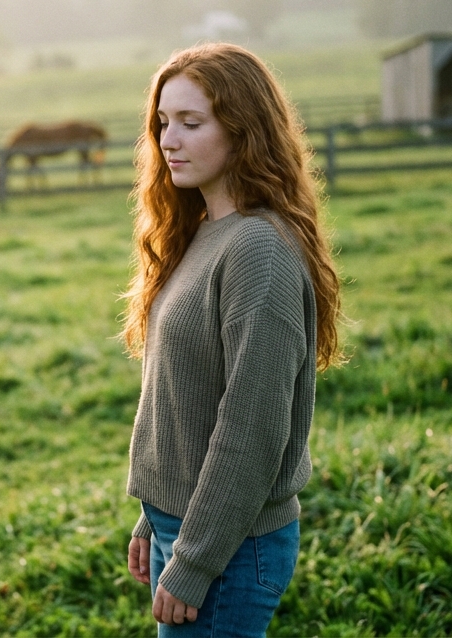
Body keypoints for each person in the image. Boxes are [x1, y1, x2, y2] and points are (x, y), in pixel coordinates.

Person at [121, 43, 342, 637]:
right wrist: (154, 516)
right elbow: (186, 396)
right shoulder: (201, 232)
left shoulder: (257, 250)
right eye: (163, 123)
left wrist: (193, 558)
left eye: (191, 123)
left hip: (231, 549)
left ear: (244, 130)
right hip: (193, 530)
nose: (169, 140)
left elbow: (253, 425)